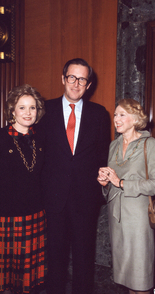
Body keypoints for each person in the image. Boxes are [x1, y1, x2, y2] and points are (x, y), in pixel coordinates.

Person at [39, 58, 111, 294]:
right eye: (72, 77)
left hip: (85, 199)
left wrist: (103, 177)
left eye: (82, 79)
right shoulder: (43, 111)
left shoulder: (100, 113)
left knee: (84, 259)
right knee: (55, 258)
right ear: (63, 79)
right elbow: (35, 153)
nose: (76, 83)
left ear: (88, 84)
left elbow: (103, 155)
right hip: (54, 198)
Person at [0, 84, 47, 294]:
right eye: (22, 107)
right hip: (5, 218)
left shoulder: (41, 138)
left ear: (38, 111)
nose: (28, 113)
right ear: (12, 110)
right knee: (3, 282)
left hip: (35, 215)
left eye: (32, 108)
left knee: (28, 283)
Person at [97, 98, 155, 294]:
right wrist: (105, 183)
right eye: (115, 114)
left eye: (122, 115)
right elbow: (112, 183)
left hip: (138, 219)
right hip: (116, 218)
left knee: (140, 276)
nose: (116, 119)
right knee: (125, 276)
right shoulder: (114, 145)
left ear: (135, 119)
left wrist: (122, 183)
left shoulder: (151, 145)